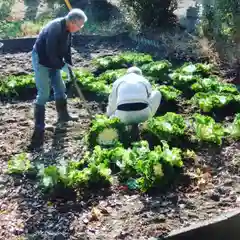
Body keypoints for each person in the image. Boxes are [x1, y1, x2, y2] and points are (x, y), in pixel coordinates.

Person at [30, 8, 88, 148]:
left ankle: (63, 116)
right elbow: (50, 52)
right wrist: (62, 66)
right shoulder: (55, 28)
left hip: (54, 59)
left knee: (60, 88)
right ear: (73, 21)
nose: (80, 28)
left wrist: (69, 66)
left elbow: (66, 50)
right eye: (80, 25)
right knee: (43, 93)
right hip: (42, 60)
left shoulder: (68, 30)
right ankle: (40, 126)